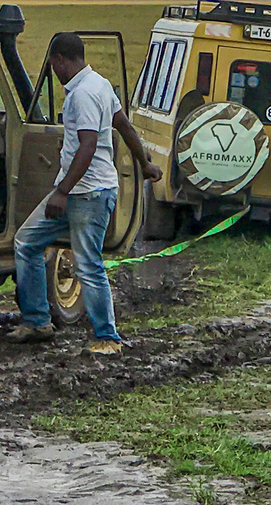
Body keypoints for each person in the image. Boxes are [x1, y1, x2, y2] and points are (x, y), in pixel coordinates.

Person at [9, 32, 161, 355]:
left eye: (53, 65)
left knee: (88, 264)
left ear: (61, 61)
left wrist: (61, 192)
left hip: (87, 195)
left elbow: (89, 146)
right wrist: (144, 164)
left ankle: (108, 338)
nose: (53, 71)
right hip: (83, 190)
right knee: (27, 242)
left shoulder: (83, 94)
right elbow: (125, 127)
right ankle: (37, 320)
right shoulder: (101, 84)